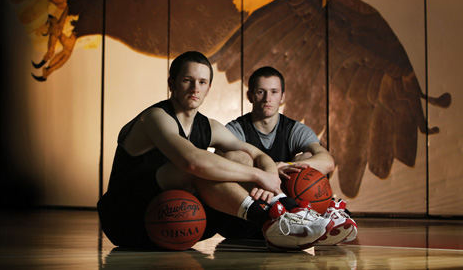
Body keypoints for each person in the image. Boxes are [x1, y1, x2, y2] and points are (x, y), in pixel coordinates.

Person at [97, 52, 334, 251]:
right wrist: (258, 176)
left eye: (202, 82)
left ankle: (287, 213)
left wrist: (269, 172)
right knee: (200, 168)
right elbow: (193, 162)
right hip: (128, 220)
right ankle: (275, 217)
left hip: (176, 219)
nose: (195, 88)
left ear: (209, 87)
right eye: (187, 80)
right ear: (172, 83)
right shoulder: (155, 118)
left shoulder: (208, 126)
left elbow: (257, 155)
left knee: (238, 157)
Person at [225, 66, 357, 244]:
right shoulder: (235, 129)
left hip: (289, 214)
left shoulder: (294, 129)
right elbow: (223, 168)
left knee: (306, 158)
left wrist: (285, 166)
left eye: (274, 92)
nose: (267, 98)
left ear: (283, 97)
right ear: (250, 96)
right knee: (236, 157)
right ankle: (296, 215)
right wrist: (268, 174)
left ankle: (308, 214)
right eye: (260, 92)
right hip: (247, 215)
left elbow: (327, 162)